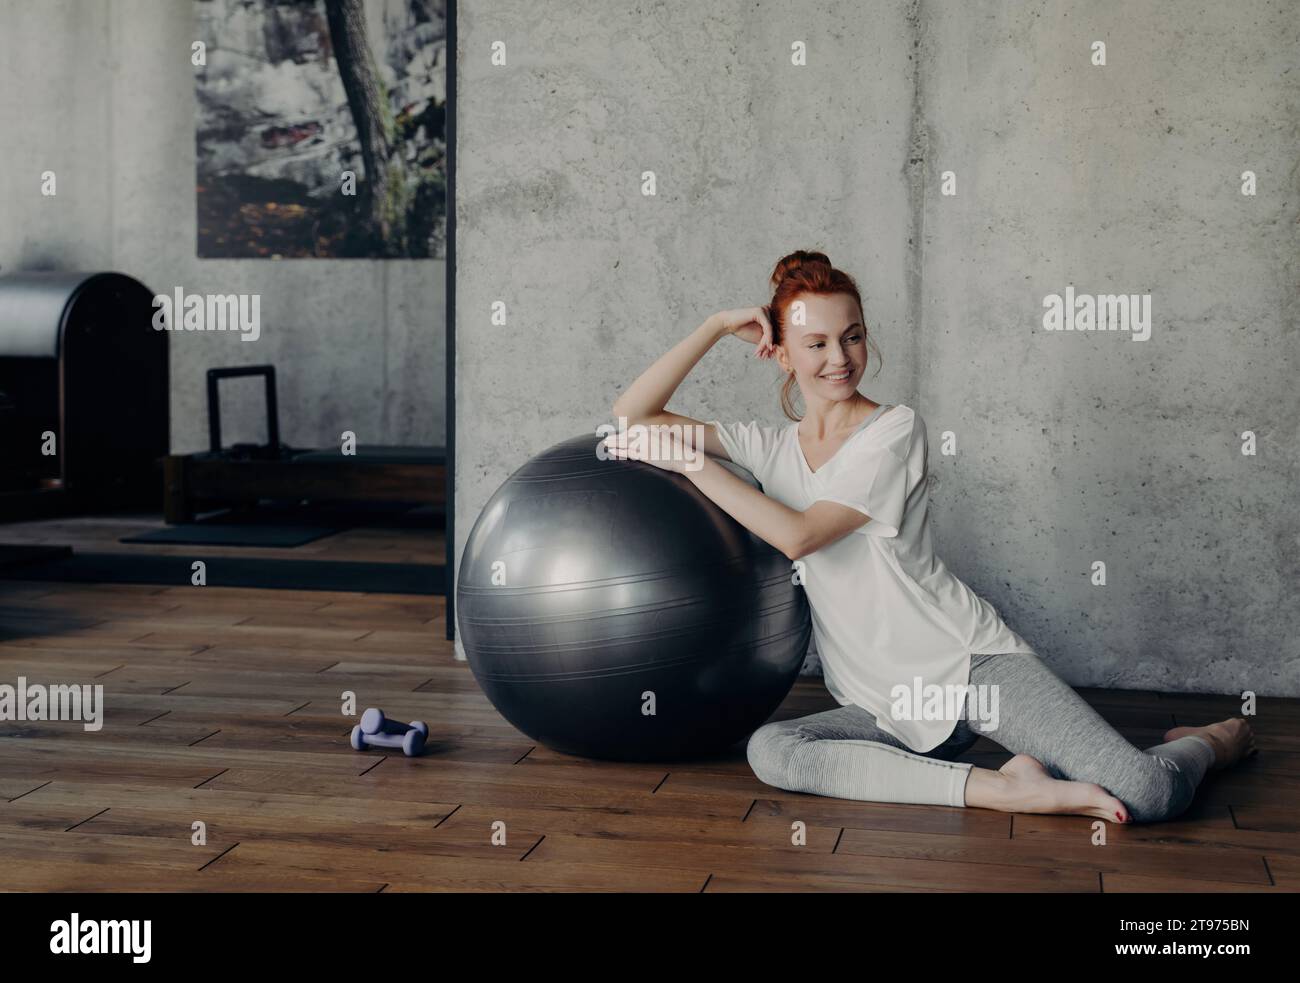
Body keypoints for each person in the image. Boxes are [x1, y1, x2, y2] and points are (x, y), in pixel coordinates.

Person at [604, 249, 1255, 823]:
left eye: (852, 336)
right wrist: (716, 326)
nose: (840, 358)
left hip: (970, 666)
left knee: (1147, 792)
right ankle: (1003, 788)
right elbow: (631, 413)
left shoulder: (894, 432)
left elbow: (801, 536)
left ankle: (1218, 739)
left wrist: (690, 460)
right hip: (880, 704)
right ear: (781, 350)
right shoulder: (768, 448)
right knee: (772, 749)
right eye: (817, 342)